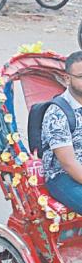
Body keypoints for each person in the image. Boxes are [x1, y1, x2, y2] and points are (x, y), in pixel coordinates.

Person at [41, 51, 82, 214]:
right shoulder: (57, 113)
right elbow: (69, 164)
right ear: (67, 79)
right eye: (81, 76)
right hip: (63, 177)